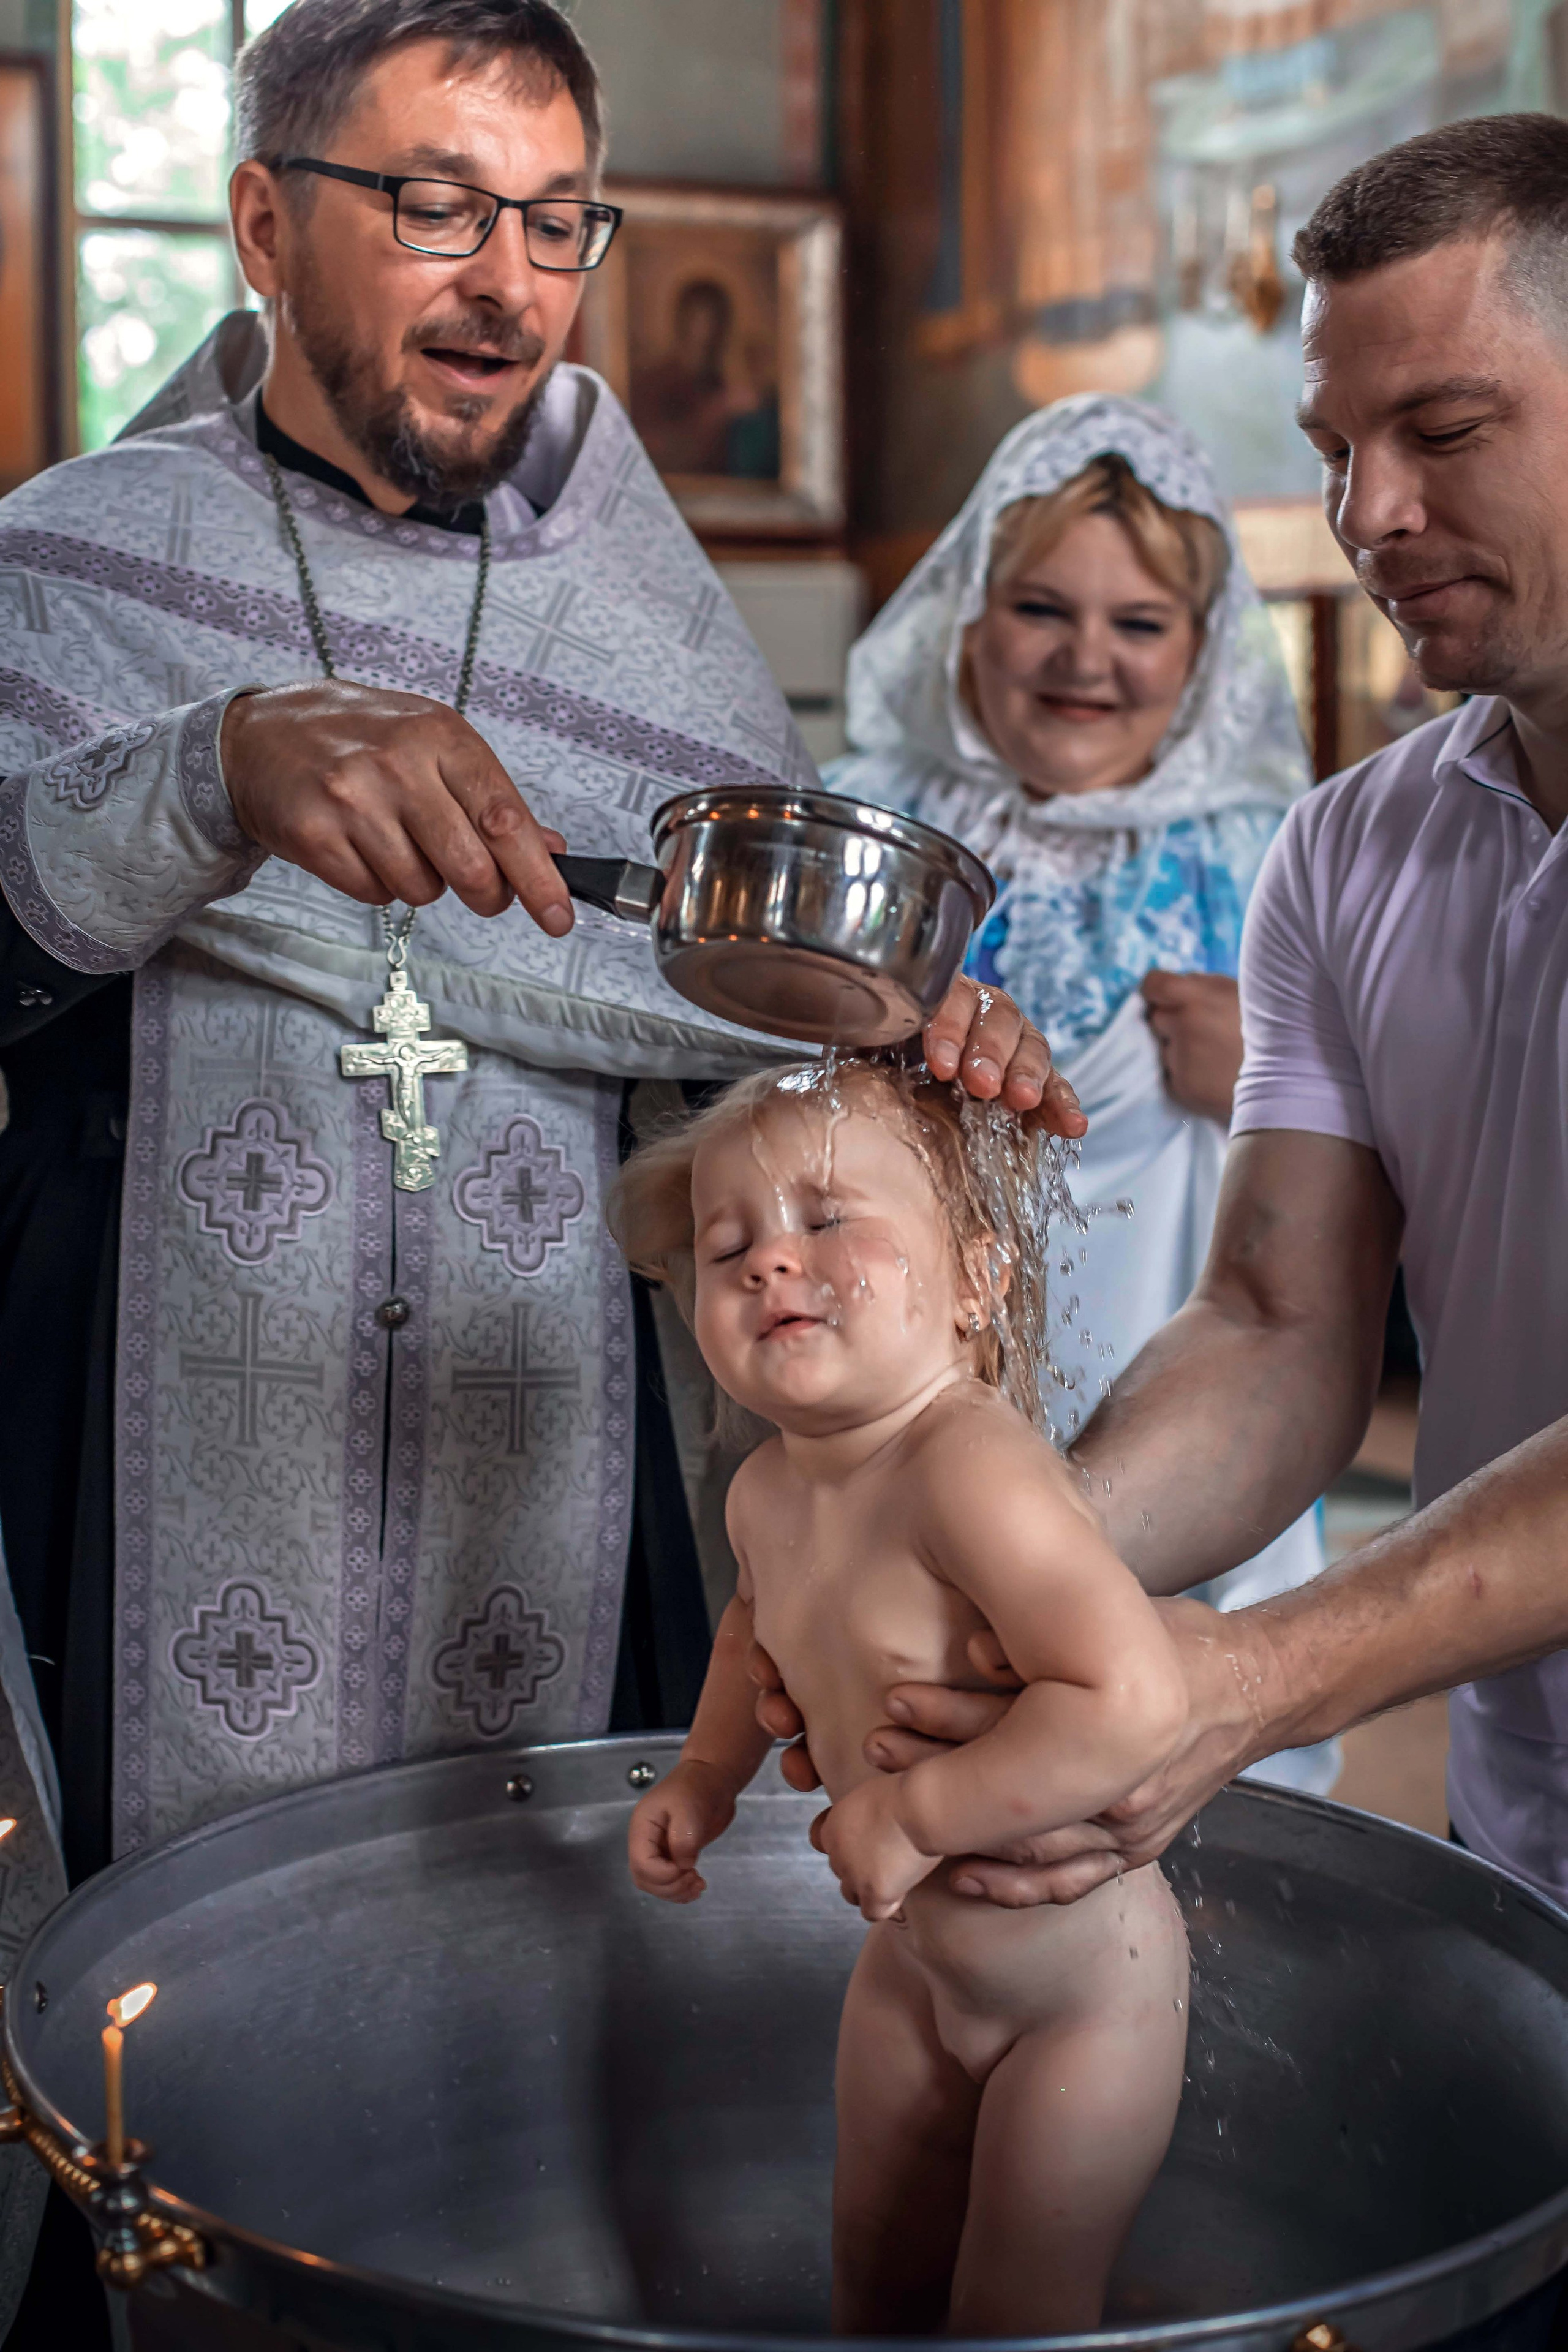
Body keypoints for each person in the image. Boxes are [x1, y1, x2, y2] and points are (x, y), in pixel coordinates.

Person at [0, 3, 1065, 2335]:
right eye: (437, 208)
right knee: (168, 2131)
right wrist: (206, 776)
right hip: (142, 1508)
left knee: (539, 2111)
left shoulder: (653, 633)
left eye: (560, 223)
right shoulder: (69, 576)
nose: (509, 281)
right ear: (263, 219)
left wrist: (910, 1071)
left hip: (571, 1518)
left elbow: (746, 1063)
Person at [760, 113, 1568, 1920]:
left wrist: (1256, 1670)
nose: (1364, 517)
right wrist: (998, 1567)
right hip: (1523, 1814)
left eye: (1442, 432)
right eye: (1334, 450)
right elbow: (1280, 1320)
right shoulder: (1350, 850)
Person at [617, 1059, 1188, 2335]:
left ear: (976, 1280)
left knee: (1014, 2313)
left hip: (1081, 2002)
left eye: (826, 1219)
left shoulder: (967, 1467)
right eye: (727, 1249)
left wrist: (921, 1813)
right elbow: (748, 1632)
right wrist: (707, 1774)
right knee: (872, 2279)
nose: (770, 1261)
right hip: (914, 1969)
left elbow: (1134, 1697)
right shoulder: (767, 1489)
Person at [830, 394, 1335, 1793]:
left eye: (1139, 624)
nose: (1084, 661)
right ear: (969, 618)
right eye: (1041, 609)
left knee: (1151, 1752)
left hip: (1182, 1374)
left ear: (1204, 648)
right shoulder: (871, 826)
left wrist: (1278, 1074)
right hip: (916, 1374)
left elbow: (1425, 1173)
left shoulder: (1281, 858)